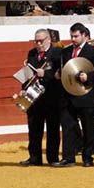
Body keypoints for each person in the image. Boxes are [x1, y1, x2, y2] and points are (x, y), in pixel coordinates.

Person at [55, 23, 94, 167]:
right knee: (67, 126)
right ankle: (68, 157)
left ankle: (87, 157)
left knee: (89, 127)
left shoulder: (93, 52)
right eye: (71, 36)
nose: (73, 39)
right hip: (68, 95)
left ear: (84, 35)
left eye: (76, 36)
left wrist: (88, 76)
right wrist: (59, 75)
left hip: (86, 94)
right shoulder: (65, 52)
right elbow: (64, 70)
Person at [21, 29, 61, 166]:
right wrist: (24, 89)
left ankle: (53, 157)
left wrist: (46, 74)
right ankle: (35, 157)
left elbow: (60, 74)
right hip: (34, 97)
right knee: (34, 128)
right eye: (36, 41)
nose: (38, 44)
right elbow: (28, 74)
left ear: (48, 39)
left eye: (41, 41)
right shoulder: (32, 54)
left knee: (53, 128)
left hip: (52, 96)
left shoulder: (57, 53)